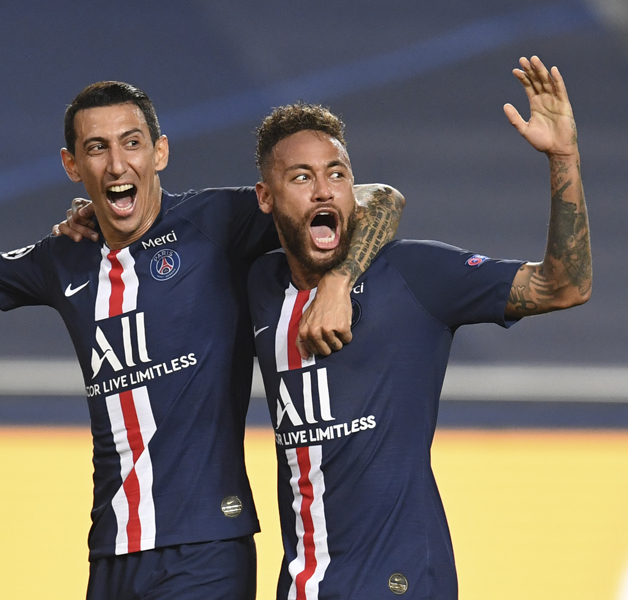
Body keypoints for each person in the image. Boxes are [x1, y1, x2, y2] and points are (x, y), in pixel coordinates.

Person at [0, 81, 403, 599]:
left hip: (206, 546)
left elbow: (378, 198)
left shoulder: (218, 223)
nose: (117, 162)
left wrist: (339, 280)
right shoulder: (66, 257)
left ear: (160, 153)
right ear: (71, 165)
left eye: (132, 142)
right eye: (97, 148)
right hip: (110, 550)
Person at [246, 56, 590, 599]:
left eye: (337, 174)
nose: (324, 191)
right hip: (303, 585)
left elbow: (563, 285)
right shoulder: (259, 287)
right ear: (265, 197)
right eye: (302, 177)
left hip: (401, 583)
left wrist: (563, 158)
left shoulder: (415, 275)